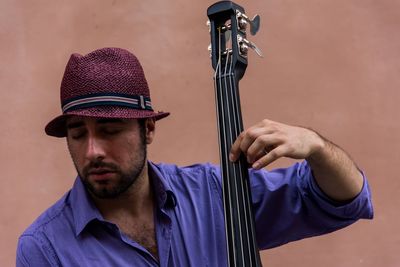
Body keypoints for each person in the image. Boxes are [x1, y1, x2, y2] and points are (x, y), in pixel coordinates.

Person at [16, 47, 373, 266]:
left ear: (148, 130)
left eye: (109, 130)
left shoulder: (213, 193)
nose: (92, 150)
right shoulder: (44, 248)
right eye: (78, 133)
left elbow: (344, 200)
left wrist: (316, 147)